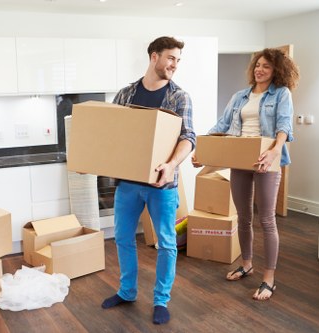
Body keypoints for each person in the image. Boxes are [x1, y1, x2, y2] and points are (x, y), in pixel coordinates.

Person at [101, 36, 196, 325]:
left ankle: (160, 300)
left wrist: (170, 165)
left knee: (166, 243)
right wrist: (93, 160)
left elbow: (188, 138)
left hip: (162, 185)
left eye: (178, 60)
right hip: (128, 183)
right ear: (154, 57)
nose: (174, 65)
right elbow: (113, 135)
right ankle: (127, 291)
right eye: (170, 58)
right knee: (123, 238)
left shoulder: (179, 97)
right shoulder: (126, 94)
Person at [192, 48, 299, 301]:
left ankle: (269, 278)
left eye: (267, 67)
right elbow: (222, 125)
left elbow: (284, 125)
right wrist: (203, 151)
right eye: (258, 65)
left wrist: (274, 151)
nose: (259, 70)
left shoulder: (281, 94)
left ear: (277, 71)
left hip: (266, 160)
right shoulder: (240, 96)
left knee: (267, 220)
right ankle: (247, 264)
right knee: (242, 216)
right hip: (240, 158)